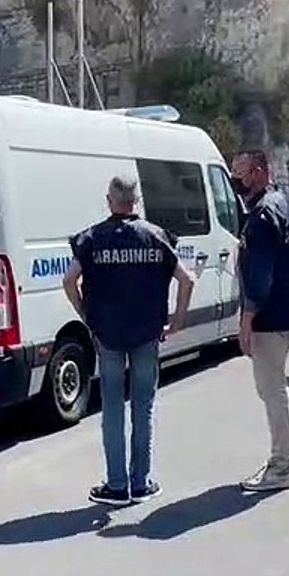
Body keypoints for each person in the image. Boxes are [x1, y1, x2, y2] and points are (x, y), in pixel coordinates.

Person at [62, 176, 194, 506]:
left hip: (107, 334)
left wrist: (86, 316)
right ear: (136, 202)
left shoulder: (92, 238)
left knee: (112, 408)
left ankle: (117, 486)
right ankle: (142, 481)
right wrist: (177, 319)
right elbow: (187, 279)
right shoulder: (156, 236)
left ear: (110, 200)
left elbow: (69, 281)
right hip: (147, 332)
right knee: (143, 406)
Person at [230, 150, 289, 492]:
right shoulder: (284, 202)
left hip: (271, 312)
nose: (237, 180)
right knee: (278, 385)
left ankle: (281, 467)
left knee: (271, 389)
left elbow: (260, 276)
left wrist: (247, 320)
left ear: (259, 172)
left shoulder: (263, 214)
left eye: (241, 173)